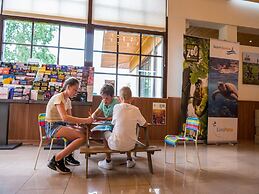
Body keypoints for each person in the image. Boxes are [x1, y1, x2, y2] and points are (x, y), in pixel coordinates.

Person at [46, 77, 93, 174]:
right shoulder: (59, 97)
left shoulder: (68, 100)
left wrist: (81, 124)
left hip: (62, 125)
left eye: (77, 90)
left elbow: (69, 119)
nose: (76, 93)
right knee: (82, 137)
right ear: (68, 87)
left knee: (84, 131)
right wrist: (86, 120)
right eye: (74, 90)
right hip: (52, 126)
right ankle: (57, 159)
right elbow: (65, 118)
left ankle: (67, 156)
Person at [98, 86, 147, 170]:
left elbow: (113, 122)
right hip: (131, 145)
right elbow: (145, 124)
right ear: (132, 99)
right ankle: (129, 160)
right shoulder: (136, 109)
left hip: (115, 145)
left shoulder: (116, 107)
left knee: (105, 132)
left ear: (119, 98)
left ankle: (108, 161)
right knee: (128, 133)